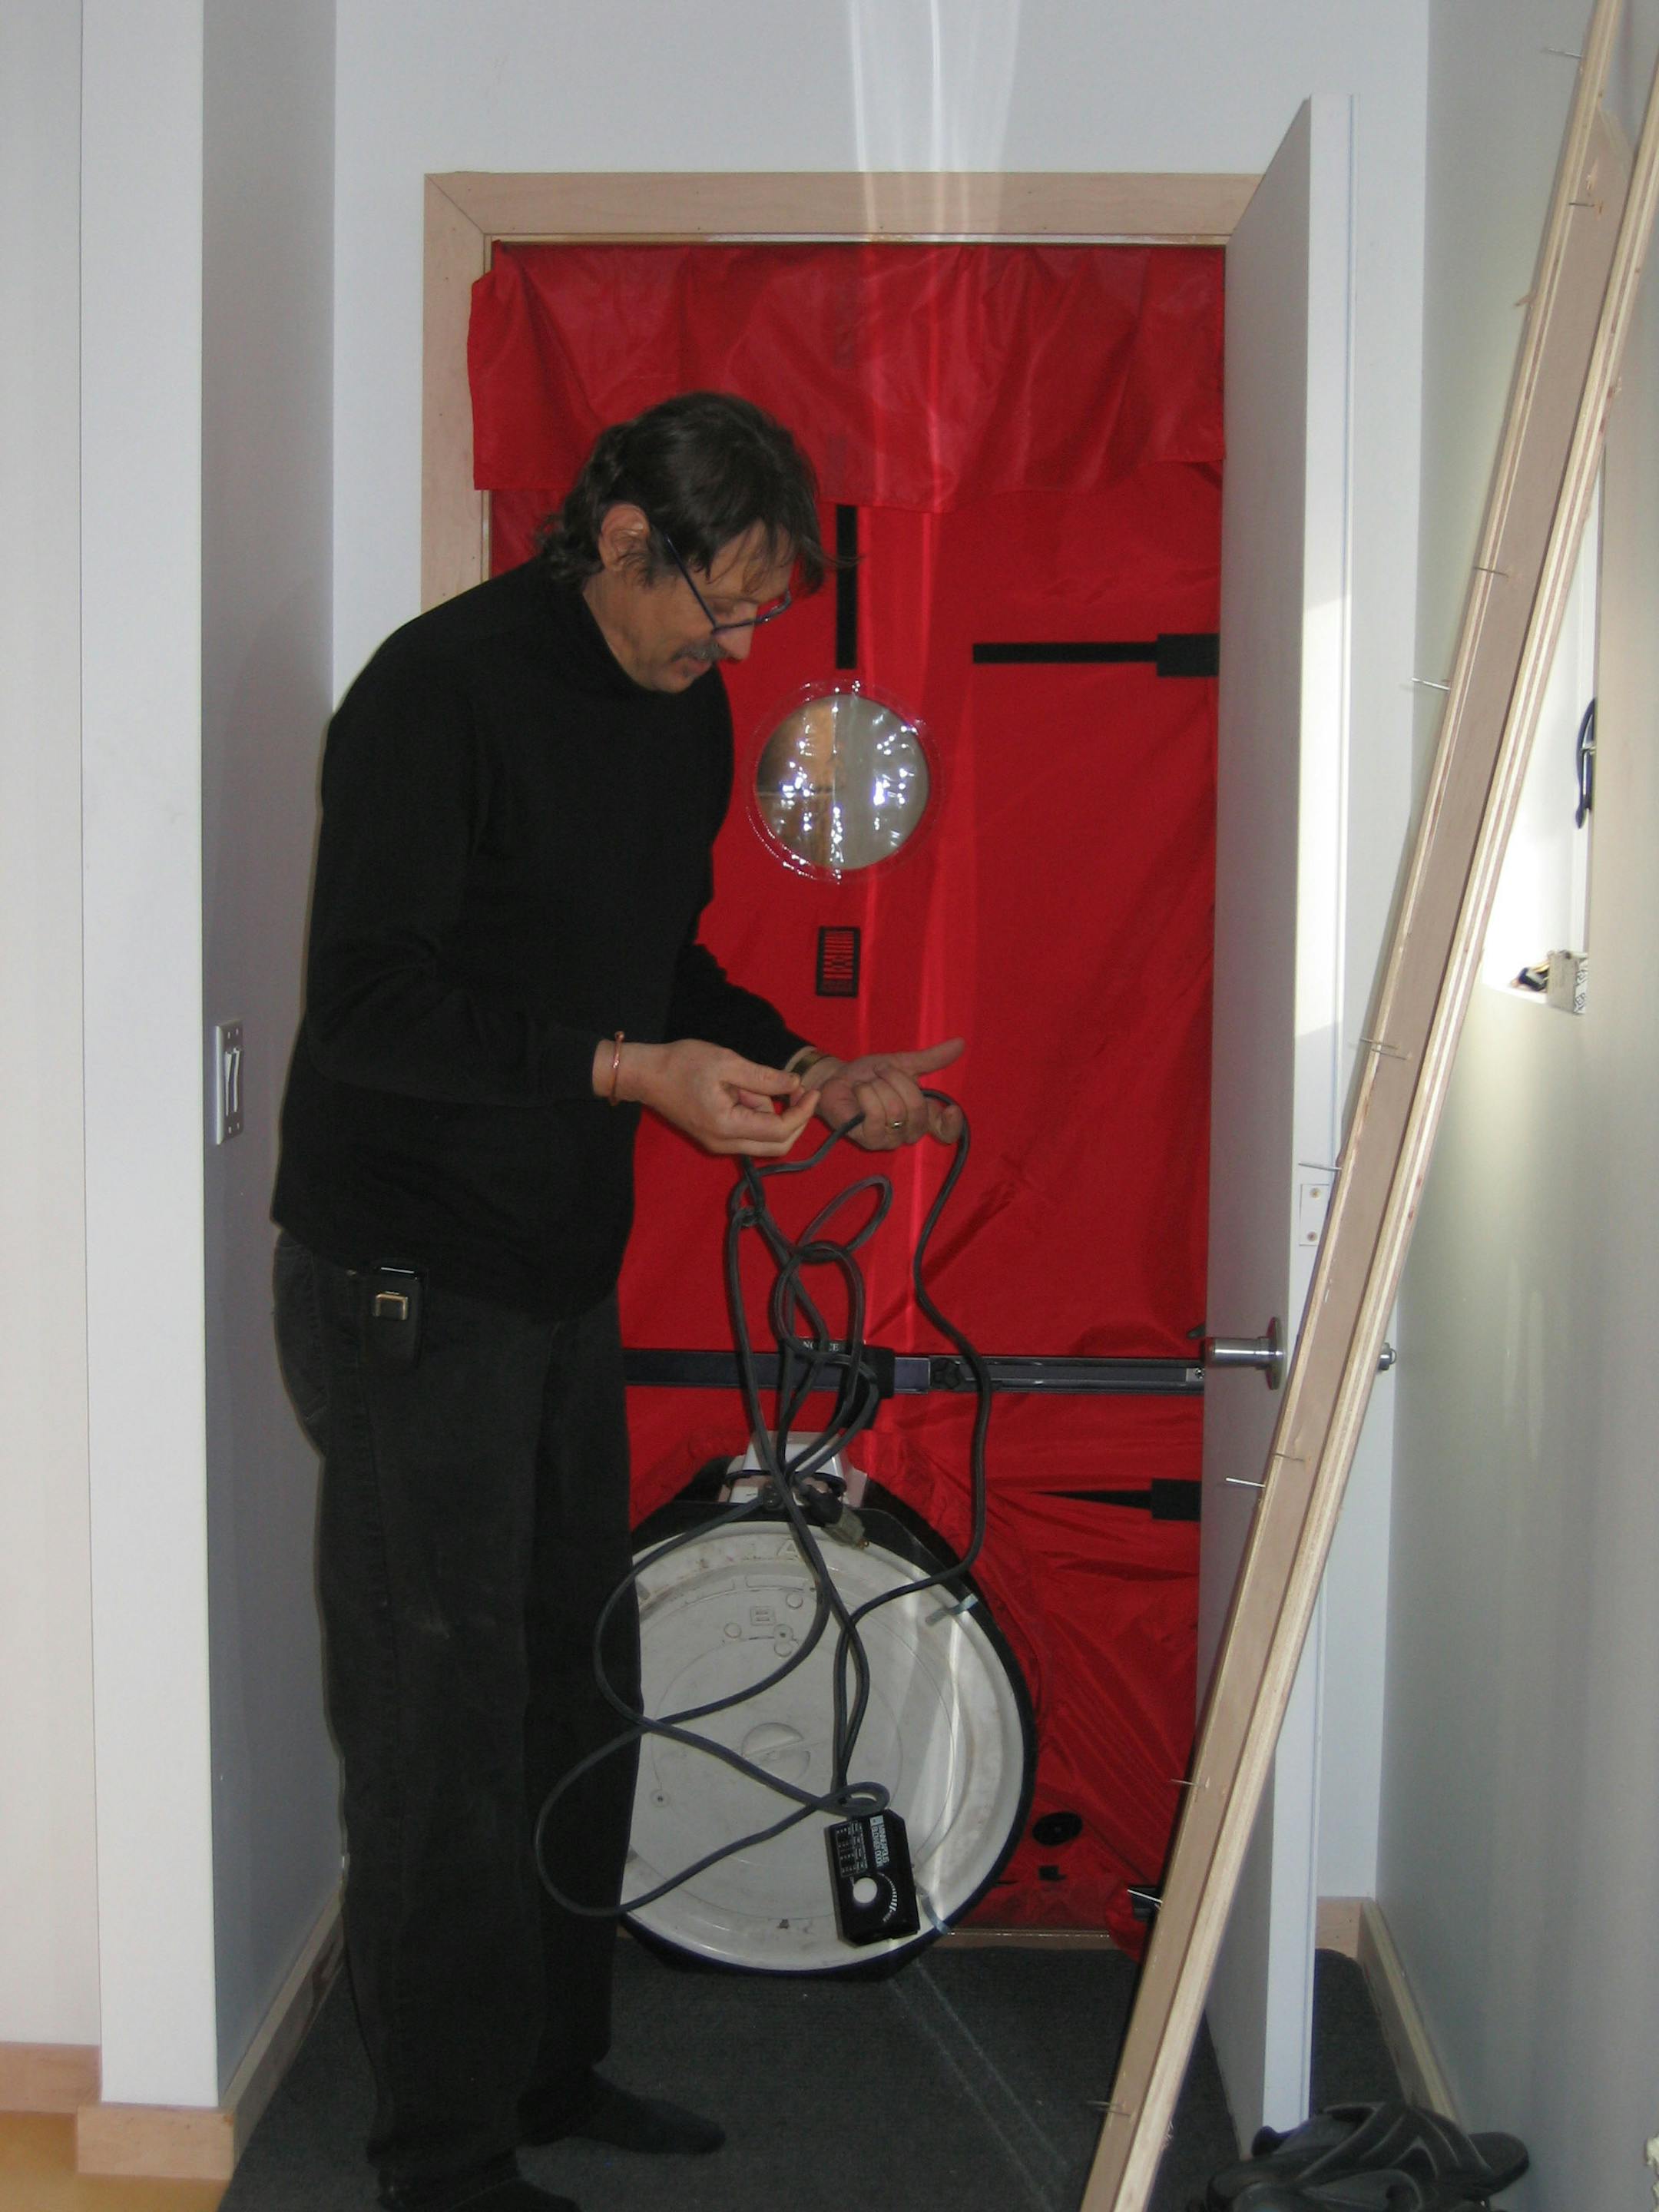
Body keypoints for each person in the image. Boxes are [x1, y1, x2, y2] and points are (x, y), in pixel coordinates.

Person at [271, 391, 963, 2212]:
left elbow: (658, 963)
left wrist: (806, 1061)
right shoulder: (439, 694)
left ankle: (550, 2072)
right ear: (624, 537)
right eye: (716, 604)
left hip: (552, 1271)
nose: (734, 647)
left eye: (757, 619)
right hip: (408, 1279)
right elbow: (368, 1006)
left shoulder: (682, 712)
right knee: (441, 1726)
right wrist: (621, 1073)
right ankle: (443, 2157)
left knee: (582, 1683)